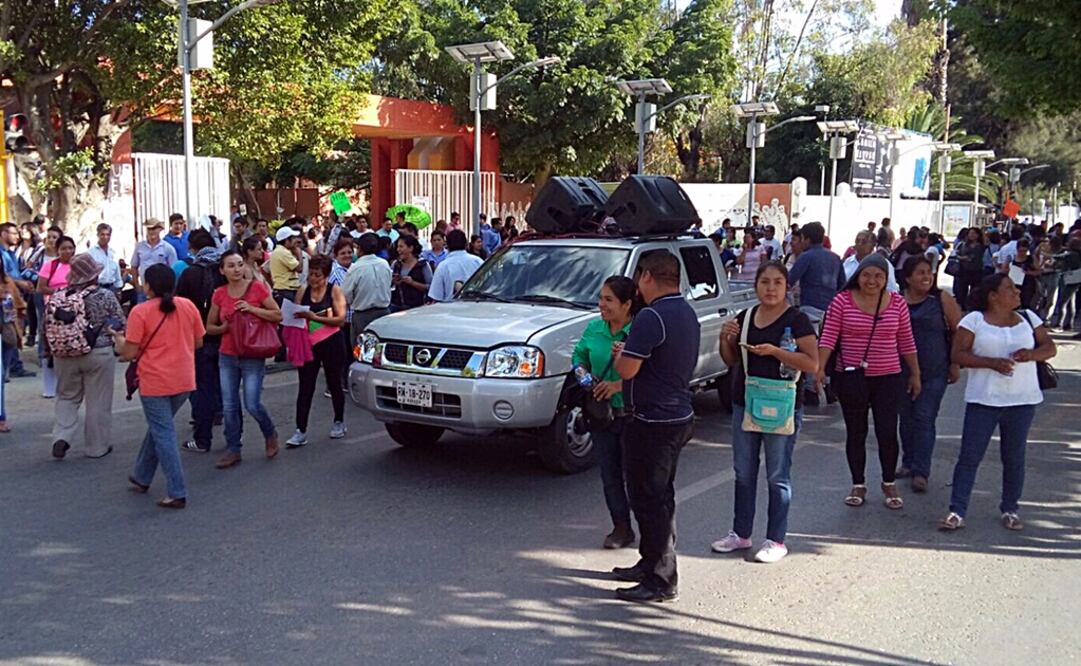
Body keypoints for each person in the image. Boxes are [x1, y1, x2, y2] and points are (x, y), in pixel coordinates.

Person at [713, 261, 818, 563]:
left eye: (777, 282)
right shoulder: (745, 317)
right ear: (756, 285)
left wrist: (776, 352)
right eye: (765, 282)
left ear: (787, 287)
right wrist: (725, 338)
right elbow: (731, 360)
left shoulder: (797, 320)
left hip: (782, 404)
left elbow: (812, 363)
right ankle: (741, 533)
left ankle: (776, 539)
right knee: (743, 472)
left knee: (777, 475)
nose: (771, 288)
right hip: (745, 402)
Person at [610, 250, 699, 603]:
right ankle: (650, 563)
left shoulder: (652, 315)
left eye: (639, 277)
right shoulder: (686, 311)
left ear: (647, 276)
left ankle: (662, 578)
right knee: (660, 496)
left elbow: (626, 369)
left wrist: (621, 353)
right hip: (676, 415)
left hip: (653, 420)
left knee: (650, 499)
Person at [940, 274, 1057, 531]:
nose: (1017, 292)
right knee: (970, 456)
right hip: (984, 399)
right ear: (993, 296)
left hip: (1022, 400)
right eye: (1009, 288)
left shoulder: (1028, 318)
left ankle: (1010, 508)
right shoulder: (974, 320)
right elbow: (958, 354)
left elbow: (1050, 347)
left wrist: (1031, 355)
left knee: (1014, 457)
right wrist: (991, 363)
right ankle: (957, 510)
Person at [817, 253, 920, 510]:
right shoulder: (842, 301)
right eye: (866, 275)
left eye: (878, 276)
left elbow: (906, 340)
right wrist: (819, 369)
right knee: (856, 431)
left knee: (887, 431)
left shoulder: (897, 303)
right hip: (851, 377)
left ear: (886, 279)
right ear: (857, 276)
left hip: (889, 377)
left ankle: (888, 482)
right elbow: (829, 336)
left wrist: (915, 373)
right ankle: (858, 484)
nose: (872, 281)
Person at [113, 264, 205, 509]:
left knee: (163, 432)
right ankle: (141, 474)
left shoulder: (140, 312)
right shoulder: (187, 306)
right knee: (160, 427)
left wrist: (120, 343)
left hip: (155, 380)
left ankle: (177, 490)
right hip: (184, 379)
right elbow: (198, 342)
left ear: (148, 286)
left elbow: (129, 353)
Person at [571, 276, 636, 550]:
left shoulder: (638, 332)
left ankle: (653, 531)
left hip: (632, 415)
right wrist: (584, 376)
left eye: (609, 299)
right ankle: (621, 527)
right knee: (610, 476)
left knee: (636, 477)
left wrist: (618, 385)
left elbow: (651, 372)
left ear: (627, 304)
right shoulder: (594, 328)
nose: (602, 304)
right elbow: (579, 357)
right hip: (601, 415)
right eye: (600, 298)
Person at [206, 250, 282, 469]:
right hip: (227, 354)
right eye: (231, 266)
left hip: (252, 354)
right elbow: (209, 326)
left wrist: (252, 309)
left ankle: (270, 432)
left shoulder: (257, 288)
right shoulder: (219, 293)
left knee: (252, 403)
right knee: (229, 405)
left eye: (240, 264)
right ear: (222, 270)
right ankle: (233, 448)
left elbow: (277, 314)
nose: (237, 269)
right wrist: (224, 328)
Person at [49, 254, 126, 460]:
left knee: (67, 396)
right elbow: (120, 321)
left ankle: (61, 436)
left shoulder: (59, 296)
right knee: (97, 401)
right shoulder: (104, 295)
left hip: (64, 352)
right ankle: (96, 447)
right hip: (97, 352)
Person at [896, 256, 962, 492]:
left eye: (929, 272)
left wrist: (955, 363)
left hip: (934, 370)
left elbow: (958, 331)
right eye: (920, 272)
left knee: (924, 416)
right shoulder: (896, 301)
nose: (926, 277)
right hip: (901, 371)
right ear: (907, 278)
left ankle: (921, 471)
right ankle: (908, 461)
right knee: (906, 418)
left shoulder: (941, 299)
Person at [285, 255, 349, 447]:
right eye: (311, 274)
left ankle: (339, 421)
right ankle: (300, 430)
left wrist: (314, 317)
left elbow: (340, 319)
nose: (313, 279)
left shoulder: (334, 290)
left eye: (317, 275)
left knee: (334, 382)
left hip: (332, 342)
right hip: (309, 344)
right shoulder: (303, 290)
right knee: (305, 386)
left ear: (326, 276)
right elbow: (295, 316)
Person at [175, 230, 225, 453]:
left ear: (194, 248)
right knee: (226, 384)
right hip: (225, 335)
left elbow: (179, 307)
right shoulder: (225, 270)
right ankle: (233, 437)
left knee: (202, 386)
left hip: (197, 338)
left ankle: (202, 437)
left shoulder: (190, 273)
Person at [787, 222, 846, 404]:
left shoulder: (806, 257)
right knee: (828, 350)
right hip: (832, 310)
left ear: (806, 239)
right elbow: (842, 285)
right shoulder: (835, 258)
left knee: (810, 351)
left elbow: (790, 280)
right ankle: (828, 387)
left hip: (810, 308)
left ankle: (811, 389)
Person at [37, 234, 78, 398]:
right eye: (63, 248)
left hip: (75, 311)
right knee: (50, 346)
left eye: (70, 248)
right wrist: (60, 292)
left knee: (73, 343)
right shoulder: (50, 266)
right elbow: (41, 287)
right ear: (57, 250)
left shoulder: (78, 266)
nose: (67, 251)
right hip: (53, 312)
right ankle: (49, 386)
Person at [342, 233, 393, 344]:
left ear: (359, 249)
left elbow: (346, 295)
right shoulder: (384, 264)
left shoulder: (355, 268)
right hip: (384, 312)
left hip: (363, 316)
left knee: (362, 348)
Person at [130, 218, 178, 304]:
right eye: (149, 229)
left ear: (160, 229)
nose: (151, 231)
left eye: (154, 228)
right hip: (144, 288)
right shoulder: (140, 247)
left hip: (161, 291)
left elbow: (174, 269)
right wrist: (137, 285)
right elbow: (134, 266)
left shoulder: (168, 248)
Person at [430, 230, 484, 303]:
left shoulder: (443, 266)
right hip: (477, 306)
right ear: (466, 244)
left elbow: (436, 296)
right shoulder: (478, 261)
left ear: (447, 245)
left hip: (450, 308)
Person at [390, 235, 432, 311]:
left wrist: (412, 283)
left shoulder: (423, 265)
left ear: (411, 248)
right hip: (396, 306)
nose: (398, 249)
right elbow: (389, 285)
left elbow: (430, 287)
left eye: (401, 246)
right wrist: (393, 281)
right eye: (397, 247)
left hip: (417, 308)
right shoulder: (396, 264)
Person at [1049, 237, 1081, 330]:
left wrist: (1046, 254)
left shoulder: (1072, 254)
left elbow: (1059, 257)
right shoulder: (1077, 254)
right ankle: (1069, 324)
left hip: (1069, 280)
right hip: (1075, 280)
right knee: (1070, 303)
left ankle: (1059, 324)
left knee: (1062, 302)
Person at [269, 226, 304, 303]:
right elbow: (299, 268)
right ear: (287, 240)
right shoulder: (283, 252)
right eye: (293, 238)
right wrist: (299, 254)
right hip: (286, 290)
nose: (295, 241)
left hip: (282, 289)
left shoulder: (278, 251)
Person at [87, 223, 124, 294]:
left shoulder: (113, 252)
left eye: (108, 234)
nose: (105, 237)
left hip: (112, 288)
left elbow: (117, 272)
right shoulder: (91, 252)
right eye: (102, 234)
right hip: (97, 288)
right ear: (98, 235)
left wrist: (119, 288)